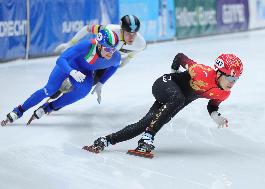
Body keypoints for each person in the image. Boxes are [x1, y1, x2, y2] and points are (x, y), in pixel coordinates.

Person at [83, 53, 244, 156]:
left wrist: (216, 116)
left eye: (236, 79)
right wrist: (174, 74)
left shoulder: (224, 93)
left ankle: (105, 140)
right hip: (164, 85)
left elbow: (213, 105)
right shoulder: (201, 71)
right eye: (230, 78)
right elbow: (180, 57)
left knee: (146, 123)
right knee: (178, 99)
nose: (232, 83)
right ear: (218, 72)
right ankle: (148, 137)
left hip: (173, 101)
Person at [1, 28, 120, 126]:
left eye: (114, 49)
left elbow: (115, 66)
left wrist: (101, 83)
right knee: (50, 89)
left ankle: (50, 107)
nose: (111, 52)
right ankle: (19, 110)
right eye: (108, 49)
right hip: (68, 66)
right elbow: (61, 59)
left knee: (84, 91)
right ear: (99, 46)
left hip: (84, 71)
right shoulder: (85, 46)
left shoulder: (115, 57)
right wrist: (72, 71)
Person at [52, 15, 146, 103]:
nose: (132, 37)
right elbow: (87, 29)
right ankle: (59, 87)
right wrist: (71, 43)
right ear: (121, 30)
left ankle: (59, 101)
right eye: (128, 33)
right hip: (97, 53)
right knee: (81, 71)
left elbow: (136, 51)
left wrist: (127, 60)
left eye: (134, 34)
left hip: (109, 59)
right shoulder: (110, 29)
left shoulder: (141, 43)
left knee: (92, 82)